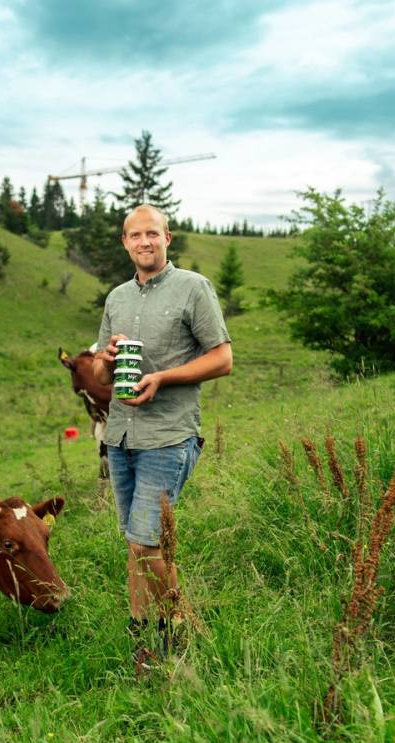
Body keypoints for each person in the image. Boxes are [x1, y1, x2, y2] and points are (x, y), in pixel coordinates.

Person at [93, 204, 232, 662]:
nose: (144, 242)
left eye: (152, 233)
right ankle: (142, 640)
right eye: (136, 235)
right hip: (120, 437)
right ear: (125, 242)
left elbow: (222, 358)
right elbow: (97, 369)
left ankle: (179, 627)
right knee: (136, 545)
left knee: (145, 542)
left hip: (168, 436)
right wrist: (107, 360)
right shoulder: (116, 298)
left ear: (167, 238)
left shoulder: (193, 288)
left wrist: (163, 378)